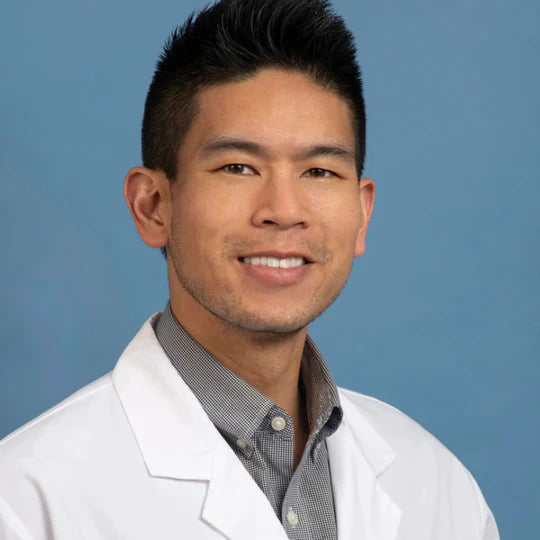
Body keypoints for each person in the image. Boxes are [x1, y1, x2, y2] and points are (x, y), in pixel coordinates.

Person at [0, 0, 499, 538]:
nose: (283, 210)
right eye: (238, 167)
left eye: (319, 171)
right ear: (153, 206)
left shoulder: (437, 487)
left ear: (362, 215)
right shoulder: (27, 501)